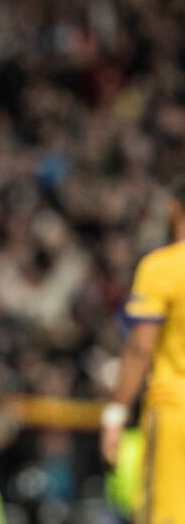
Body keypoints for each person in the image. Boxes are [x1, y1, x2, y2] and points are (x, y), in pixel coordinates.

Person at [101, 176, 185, 523]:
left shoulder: (162, 267)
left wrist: (116, 414)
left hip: (175, 413)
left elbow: (140, 348)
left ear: (174, 208)